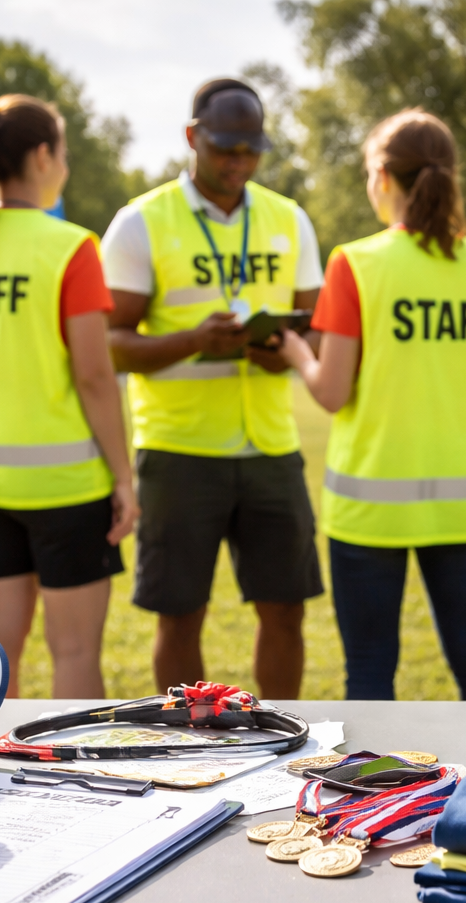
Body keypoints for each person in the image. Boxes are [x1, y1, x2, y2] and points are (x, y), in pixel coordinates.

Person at [278, 109, 466, 701]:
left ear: (383, 176)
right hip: (463, 504)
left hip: (372, 505)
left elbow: (331, 390)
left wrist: (292, 352)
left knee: (369, 669)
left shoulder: (357, 263)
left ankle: (370, 798)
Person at [103, 77, 324, 699]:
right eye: (226, 148)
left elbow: (319, 336)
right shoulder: (141, 222)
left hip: (271, 448)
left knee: (286, 609)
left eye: (252, 150)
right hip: (179, 450)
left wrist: (279, 351)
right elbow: (109, 342)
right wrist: (195, 340)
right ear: (192, 138)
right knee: (181, 613)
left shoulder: (289, 218)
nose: (239, 163)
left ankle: (282, 733)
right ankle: (187, 741)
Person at [0, 93, 138, 700]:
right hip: (66, 484)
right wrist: (124, 477)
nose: (64, 166)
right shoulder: (69, 247)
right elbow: (96, 377)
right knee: (73, 654)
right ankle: (73, 791)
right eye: (64, 154)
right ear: (43, 156)